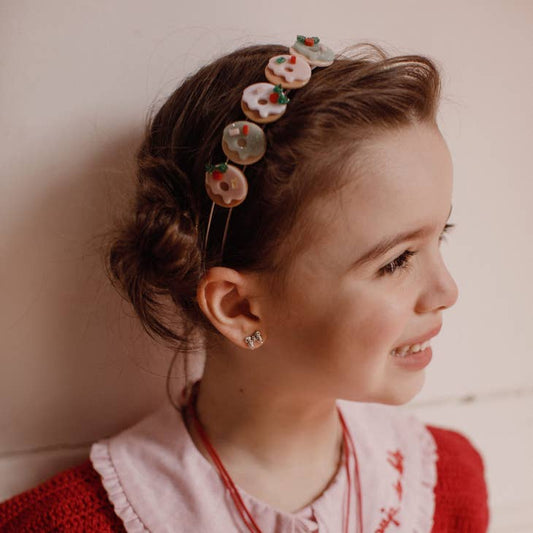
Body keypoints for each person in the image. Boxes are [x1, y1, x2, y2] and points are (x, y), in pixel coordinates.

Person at [0, 37, 490, 532]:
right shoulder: (67, 524)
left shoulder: (448, 484)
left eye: (440, 235)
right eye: (397, 260)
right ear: (238, 308)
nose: (447, 291)